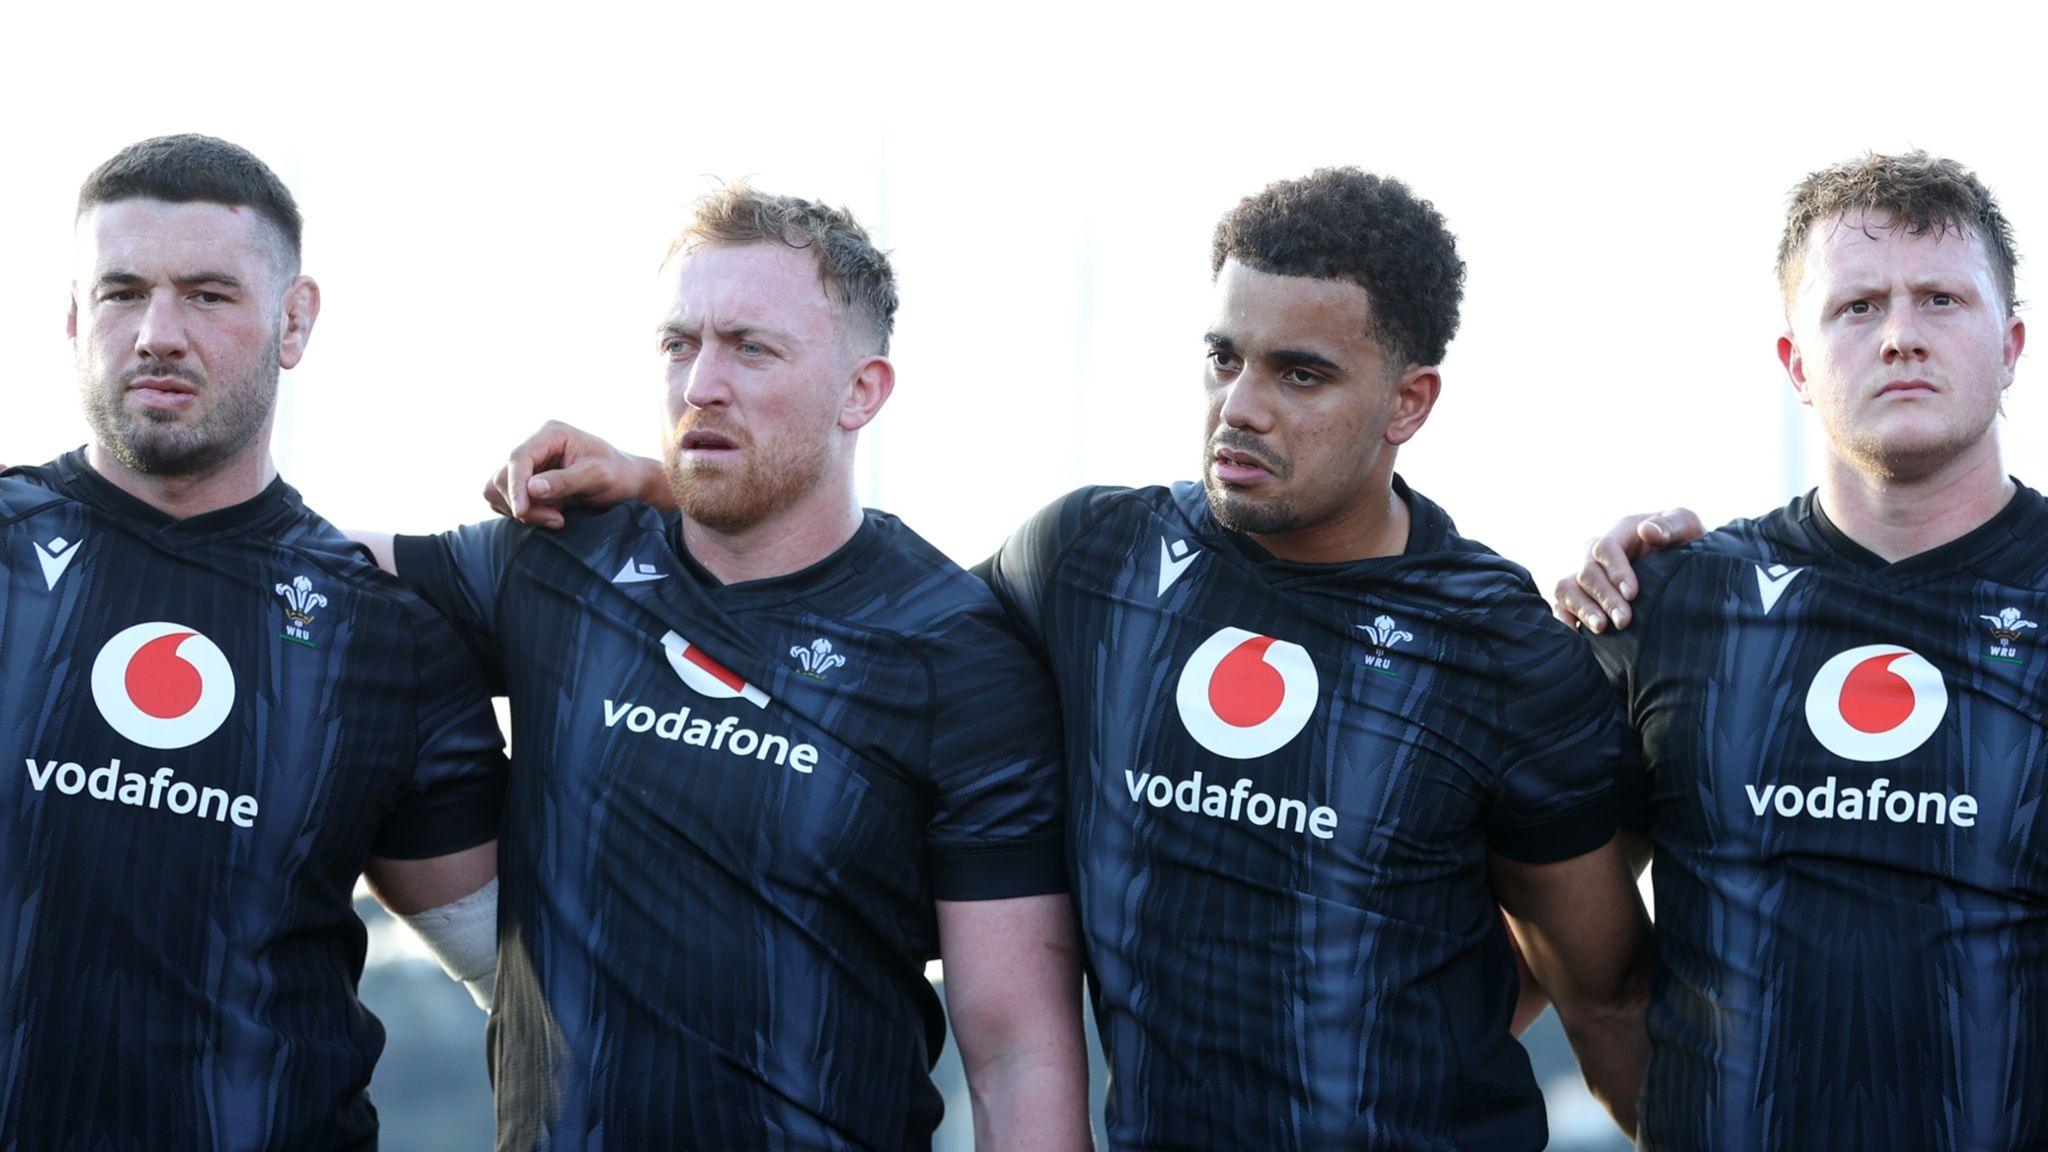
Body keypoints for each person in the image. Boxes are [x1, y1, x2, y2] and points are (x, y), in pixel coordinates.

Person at [499, 169, 1653, 1150]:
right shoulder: (1088, 562)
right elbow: (873, 615)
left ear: (1408, 402)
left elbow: (1595, 984)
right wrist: (680, 487)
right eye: (1220, 358)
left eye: (1298, 374)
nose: (1237, 408)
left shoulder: (1494, 640)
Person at [366, 186, 1090, 1150]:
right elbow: (302, 575)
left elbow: (1016, 1059)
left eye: (752, 347)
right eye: (680, 344)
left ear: (861, 391)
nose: (702, 382)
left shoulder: (955, 656)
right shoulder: (559, 561)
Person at [0, 134, 506, 1151]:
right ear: (70, 316)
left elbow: (522, 978)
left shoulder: (384, 636)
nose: (157, 333)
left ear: (294, 320)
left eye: (208, 294)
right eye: (121, 292)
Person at [1554, 150, 2044, 1150]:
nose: (1900, 336)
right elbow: (1572, 962)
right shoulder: (1672, 604)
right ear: (1794, 364)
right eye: (1855, 308)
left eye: (1940, 300)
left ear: (2008, 345)